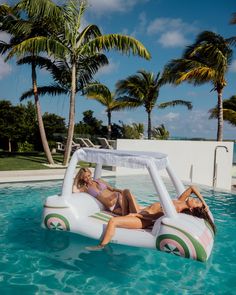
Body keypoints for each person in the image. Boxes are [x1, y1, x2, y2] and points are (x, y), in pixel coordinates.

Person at [87, 186, 216, 250]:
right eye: (197, 200)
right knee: (125, 191)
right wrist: (203, 202)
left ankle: (101, 246)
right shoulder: (179, 201)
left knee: (112, 221)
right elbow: (193, 187)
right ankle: (123, 213)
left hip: (142, 219)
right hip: (141, 212)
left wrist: (136, 215)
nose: (195, 200)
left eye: (197, 202)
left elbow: (155, 216)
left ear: (192, 209)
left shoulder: (177, 209)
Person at [73, 168, 142, 215]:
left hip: (118, 197)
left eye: (89, 175)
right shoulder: (85, 188)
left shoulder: (99, 180)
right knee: (127, 213)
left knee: (126, 195)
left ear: (91, 174)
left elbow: (112, 189)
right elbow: (74, 191)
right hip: (111, 206)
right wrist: (77, 178)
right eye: (85, 177)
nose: (88, 178)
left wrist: (121, 191)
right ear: (82, 178)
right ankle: (137, 215)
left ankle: (137, 215)